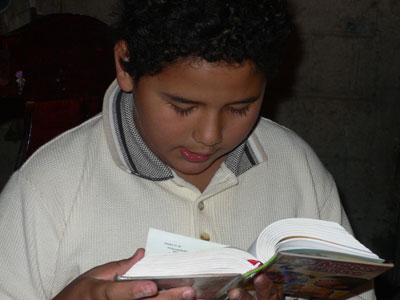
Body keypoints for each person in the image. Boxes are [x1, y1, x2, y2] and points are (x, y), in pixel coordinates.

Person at [0, 1, 376, 300]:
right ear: (125, 66)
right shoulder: (48, 187)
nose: (210, 136)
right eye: (182, 107)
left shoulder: (298, 170)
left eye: (239, 107)